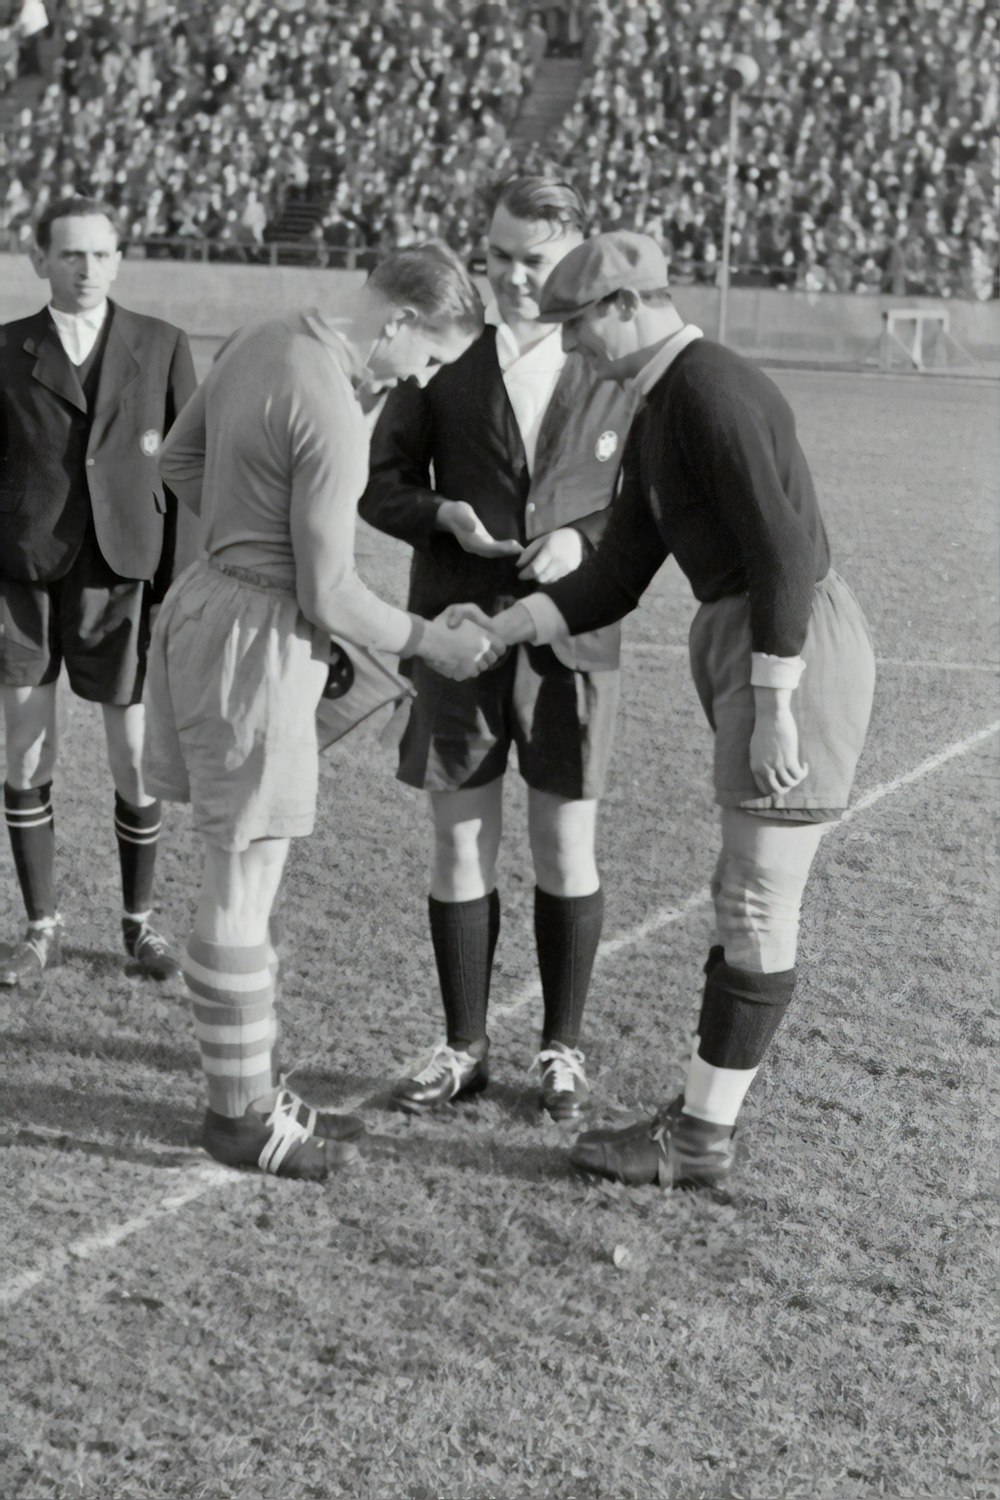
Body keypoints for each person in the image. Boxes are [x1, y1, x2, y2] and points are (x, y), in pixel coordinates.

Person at [453, 231, 876, 1189]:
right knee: (742, 894)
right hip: (760, 643)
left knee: (760, 898)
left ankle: (698, 1138)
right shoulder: (661, 406)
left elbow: (782, 554)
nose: (569, 347)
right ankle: (697, 1120)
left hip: (790, 645)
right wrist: (507, 625)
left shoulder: (708, 391)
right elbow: (616, 573)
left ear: (625, 307)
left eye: (577, 325)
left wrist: (777, 703)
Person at [143, 242, 501, 1182]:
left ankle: (252, 1093)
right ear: (398, 324)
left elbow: (181, 461)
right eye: (424, 358)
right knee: (242, 878)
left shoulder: (264, 335)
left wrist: (242, 526)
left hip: (213, 606)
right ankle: (239, 1118)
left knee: (248, 866)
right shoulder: (334, 404)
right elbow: (333, 591)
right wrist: (431, 639)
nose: (419, 378)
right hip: (257, 635)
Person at [359, 177, 632, 1123]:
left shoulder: (611, 360)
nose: (515, 278)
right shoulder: (445, 360)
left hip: (570, 635)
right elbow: (378, 487)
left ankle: (561, 1048)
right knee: (460, 841)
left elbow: (649, 497)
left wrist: (584, 540)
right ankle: (464, 1045)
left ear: (575, 257)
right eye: (500, 256)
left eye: (537, 259)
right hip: (458, 634)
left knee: (566, 845)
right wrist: (443, 515)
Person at [0, 194, 197, 988]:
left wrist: (177, 587)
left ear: (120, 259)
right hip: (22, 573)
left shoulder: (163, 343)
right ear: (38, 258)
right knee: (26, 750)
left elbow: (185, 472)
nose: (88, 269)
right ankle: (39, 925)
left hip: (125, 577)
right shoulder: (6, 348)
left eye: (102, 254)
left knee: (135, 758)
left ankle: (139, 925)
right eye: (72, 254)